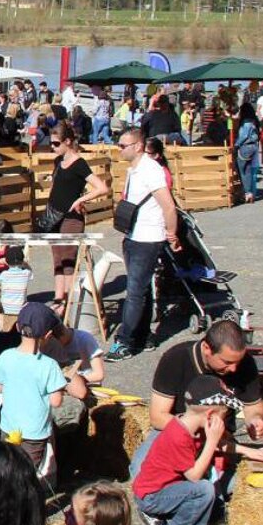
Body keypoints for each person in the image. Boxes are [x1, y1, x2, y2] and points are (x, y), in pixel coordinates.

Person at [133, 376, 263, 525]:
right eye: (224, 415)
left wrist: (248, 451)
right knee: (204, 490)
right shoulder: (178, 436)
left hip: (159, 489)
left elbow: (216, 446)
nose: (225, 419)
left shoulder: (189, 425)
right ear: (211, 415)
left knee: (209, 487)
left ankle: (157, 515)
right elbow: (195, 476)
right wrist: (212, 440)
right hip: (152, 495)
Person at [106, 129, 180, 362]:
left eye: (123, 145)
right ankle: (144, 334)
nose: (120, 149)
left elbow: (168, 205)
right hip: (134, 234)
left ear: (138, 146)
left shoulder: (151, 170)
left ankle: (125, 340)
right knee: (142, 288)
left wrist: (172, 233)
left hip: (148, 237)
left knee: (135, 291)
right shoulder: (135, 169)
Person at [146, 321, 263, 442]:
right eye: (227, 362)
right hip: (173, 428)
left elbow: (253, 405)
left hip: (219, 436)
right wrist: (199, 429)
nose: (233, 368)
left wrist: (255, 419)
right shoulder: (175, 358)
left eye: (238, 362)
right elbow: (158, 417)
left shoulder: (245, 363)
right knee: (144, 461)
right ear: (206, 348)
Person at [0, 303, 68, 487]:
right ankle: (23, 506)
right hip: (35, 431)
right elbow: (56, 402)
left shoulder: (6, 356)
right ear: (48, 335)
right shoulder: (49, 365)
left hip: (9, 426)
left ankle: (5, 502)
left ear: (17, 327)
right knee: (28, 473)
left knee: (8, 465)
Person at [43, 123, 109, 310]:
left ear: (68, 141)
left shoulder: (79, 163)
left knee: (68, 259)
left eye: (56, 143)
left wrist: (80, 200)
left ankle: (71, 302)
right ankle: (58, 299)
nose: (53, 147)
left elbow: (102, 188)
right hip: (54, 215)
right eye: (52, 143)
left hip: (71, 218)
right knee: (57, 258)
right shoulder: (58, 162)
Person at [233, 103, 261, 204]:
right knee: (251, 171)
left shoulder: (246, 122)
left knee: (244, 171)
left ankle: (247, 193)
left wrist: (236, 145)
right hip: (254, 147)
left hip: (246, 147)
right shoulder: (254, 121)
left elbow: (243, 136)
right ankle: (251, 192)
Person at [0, 246, 32, 315]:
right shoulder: (26, 273)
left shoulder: (4, 274)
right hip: (21, 310)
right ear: (22, 260)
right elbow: (31, 273)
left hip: (5, 309)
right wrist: (25, 264)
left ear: (6, 261)